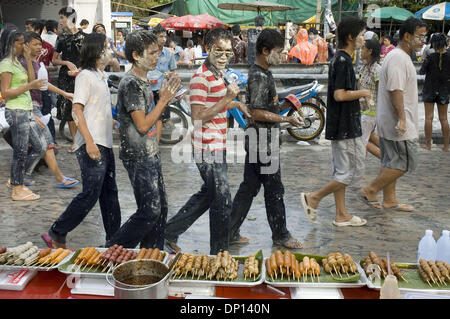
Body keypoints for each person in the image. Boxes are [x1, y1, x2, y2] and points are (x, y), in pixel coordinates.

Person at [164, 28, 251, 255]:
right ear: (207, 49)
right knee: (221, 199)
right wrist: (228, 98)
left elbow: (217, 104)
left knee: (208, 195)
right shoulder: (201, 77)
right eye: (218, 51)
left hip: (217, 145)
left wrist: (237, 104)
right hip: (206, 148)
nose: (224, 56)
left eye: (228, 51)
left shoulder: (218, 74)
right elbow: (198, 115)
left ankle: (168, 233)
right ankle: (219, 252)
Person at [105, 30, 181, 249]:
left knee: (161, 208)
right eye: (152, 53)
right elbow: (142, 124)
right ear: (136, 55)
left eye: (158, 52)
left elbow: (152, 122)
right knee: (150, 209)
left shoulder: (144, 80)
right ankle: (112, 248)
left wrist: (164, 98)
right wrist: (164, 99)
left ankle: (152, 254)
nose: (157, 57)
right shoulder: (131, 83)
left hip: (149, 152)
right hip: (137, 155)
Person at [45, 32, 121, 249]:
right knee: (90, 194)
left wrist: (113, 122)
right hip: (91, 143)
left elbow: (96, 108)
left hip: (103, 142)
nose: (109, 51)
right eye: (105, 47)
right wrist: (88, 142)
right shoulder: (85, 76)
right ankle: (57, 231)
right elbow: (77, 110)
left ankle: (114, 241)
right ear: (96, 51)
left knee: (110, 194)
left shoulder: (100, 75)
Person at [229, 28, 304, 249]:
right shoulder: (259, 76)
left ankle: (230, 230)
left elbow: (265, 108)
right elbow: (257, 113)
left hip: (259, 140)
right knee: (274, 190)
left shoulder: (264, 73)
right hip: (263, 143)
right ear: (265, 50)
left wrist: (284, 107)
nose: (282, 56)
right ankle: (280, 234)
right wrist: (287, 120)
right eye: (279, 52)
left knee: (249, 188)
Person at [300, 17, 369, 227]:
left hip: (346, 123)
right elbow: (340, 95)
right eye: (361, 34)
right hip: (344, 126)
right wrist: (362, 93)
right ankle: (314, 198)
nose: (364, 38)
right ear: (350, 37)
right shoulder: (342, 61)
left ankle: (341, 214)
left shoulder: (344, 59)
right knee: (349, 172)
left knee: (343, 171)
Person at [361, 17, 427, 212]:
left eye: (425, 36)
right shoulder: (398, 57)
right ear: (407, 36)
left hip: (390, 120)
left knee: (390, 161)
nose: (423, 41)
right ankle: (371, 189)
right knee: (405, 163)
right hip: (397, 121)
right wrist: (403, 119)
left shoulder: (396, 55)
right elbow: (395, 90)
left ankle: (389, 199)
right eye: (420, 36)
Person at [18, 31, 79, 188]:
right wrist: (31, 112)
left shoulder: (35, 63)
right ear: (25, 45)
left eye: (40, 44)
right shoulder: (22, 64)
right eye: (36, 44)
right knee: (44, 144)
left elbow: (43, 84)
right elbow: (25, 88)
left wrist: (65, 93)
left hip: (35, 108)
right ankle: (21, 176)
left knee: (45, 144)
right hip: (28, 109)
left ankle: (26, 176)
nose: (40, 47)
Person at [0, 27, 47, 201]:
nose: (24, 45)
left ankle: (16, 178)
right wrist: (29, 86)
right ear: (12, 44)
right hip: (16, 110)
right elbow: (5, 92)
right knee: (20, 151)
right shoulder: (5, 64)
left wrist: (27, 58)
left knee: (40, 147)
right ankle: (17, 188)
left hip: (26, 109)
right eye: (21, 43)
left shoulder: (18, 61)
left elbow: (31, 78)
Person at [52, 7, 86, 153]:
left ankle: (85, 139)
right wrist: (65, 62)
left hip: (83, 77)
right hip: (66, 78)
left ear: (71, 18)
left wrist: (81, 69)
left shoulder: (85, 37)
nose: (60, 21)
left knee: (83, 109)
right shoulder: (61, 38)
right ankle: (75, 141)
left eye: (62, 18)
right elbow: (54, 60)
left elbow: (90, 59)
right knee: (69, 110)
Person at [419, 33, 450, 152]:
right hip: (444, 89)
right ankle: (446, 146)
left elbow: (421, 72)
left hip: (429, 89)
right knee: (444, 118)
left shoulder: (430, 57)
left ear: (434, 44)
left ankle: (428, 146)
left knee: (428, 117)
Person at [148, 24, 177, 136]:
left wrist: (169, 75)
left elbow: (173, 72)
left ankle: (156, 142)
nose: (164, 39)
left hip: (162, 91)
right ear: (154, 37)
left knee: (159, 118)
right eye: (161, 36)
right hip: (148, 89)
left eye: (165, 36)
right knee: (148, 117)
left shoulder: (169, 54)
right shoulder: (148, 52)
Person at [359, 38, 382, 159]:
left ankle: (386, 159)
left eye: (363, 48)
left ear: (370, 51)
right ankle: (389, 156)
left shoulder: (377, 70)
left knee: (362, 141)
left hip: (370, 112)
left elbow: (381, 92)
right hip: (363, 110)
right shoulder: (364, 68)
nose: (361, 50)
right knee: (367, 138)